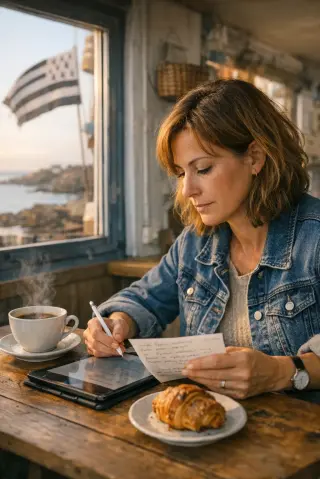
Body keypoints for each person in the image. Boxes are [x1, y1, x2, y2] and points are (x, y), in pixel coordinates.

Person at [83, 79, 320, 399]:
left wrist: (281, 372)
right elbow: (143, 299)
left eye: (203, 168)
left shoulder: (314, 238)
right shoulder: (194, 244)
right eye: (181, 173)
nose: (187, 190)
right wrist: (117, 321)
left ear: (255, 157)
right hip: (204, 429)